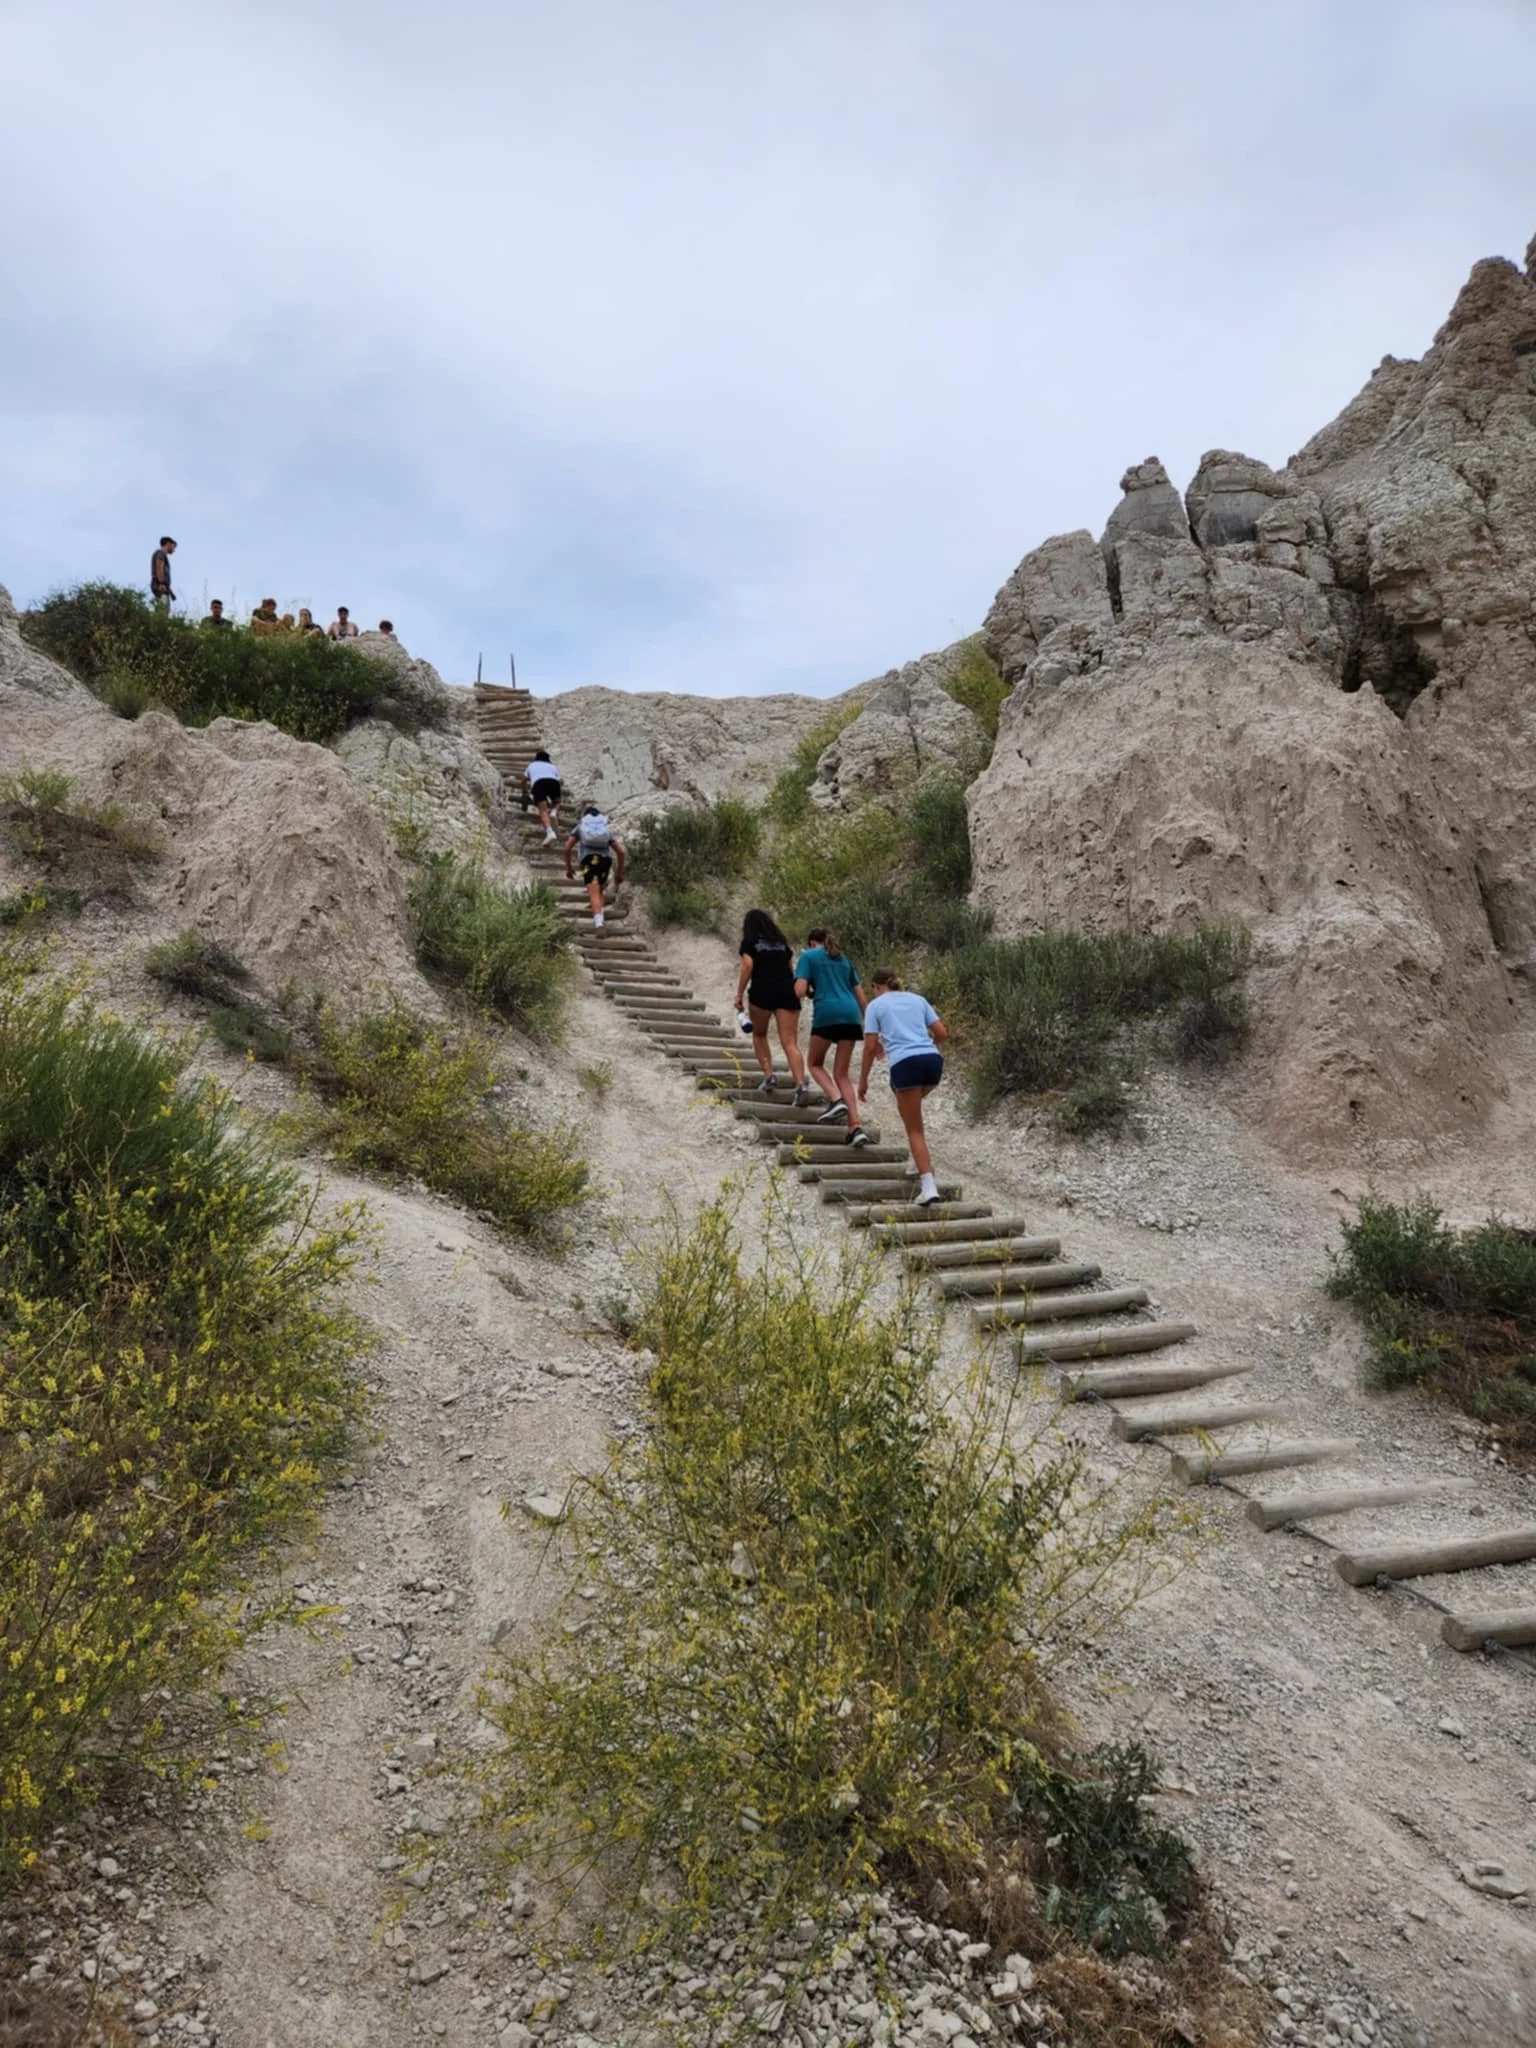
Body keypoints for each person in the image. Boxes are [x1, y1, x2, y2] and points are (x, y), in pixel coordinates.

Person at [858, 969, 948, 1206]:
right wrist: (923, 1044)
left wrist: (863, 1080)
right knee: (911, 1112)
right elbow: (941, 1032)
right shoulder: (918, 999)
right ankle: (919, 1161)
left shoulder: (875, 1006)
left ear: (877, 987)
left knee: (914, 1129)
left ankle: (928, 1186)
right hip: (932, 1061)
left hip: (905, 1064)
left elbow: (869, 1048)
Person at [793, 927, 869, 1146]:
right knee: (842, 1074)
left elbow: (799, 990)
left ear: (811, 943)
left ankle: (836, 1100)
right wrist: (873, 1027)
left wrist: (803, 986)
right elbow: (862, 998)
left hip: (827, 1013)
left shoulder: (808, 957)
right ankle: (855, 1127)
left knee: (815, 1063)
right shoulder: (844, 959)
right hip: (851, 1014)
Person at [733, 910, 809, 1099]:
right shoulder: (781, 943)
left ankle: (769, 1076)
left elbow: (748, 966)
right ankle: (800, 1085)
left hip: (762, 991)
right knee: (790, 1042)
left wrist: (739, 994)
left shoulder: (749, 942)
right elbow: (791, 968)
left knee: (759, 1035)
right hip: (786, 991)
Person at [565, 806, 625, 929]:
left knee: (593, 892)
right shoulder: (605, 830)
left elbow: (567, 848)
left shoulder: (581, 827)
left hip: (589, 861)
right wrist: (619, 873)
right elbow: (621, 852)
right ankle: (600, 917)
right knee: (600, 891)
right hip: (605, 861)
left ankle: (599, 924)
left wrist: (569, 868)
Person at [524, 749, 562, 843]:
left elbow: (524, 779)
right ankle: (554, 811)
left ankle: (550, 833)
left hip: (538, 783)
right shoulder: (552, 766)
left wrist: (524, 787)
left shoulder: (532, 765)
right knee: (557, 801)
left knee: (543, 810)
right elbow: (559, 780)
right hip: (554, 782)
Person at [150, 536, 176, 611]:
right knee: (163, 609)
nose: (174, 550)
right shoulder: (160, 553)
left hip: (163, 586)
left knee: (164, 608)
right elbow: (159, 567)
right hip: (160, 585)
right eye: (173, 546)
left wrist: (171, 593)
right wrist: (161, 583)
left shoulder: (162, 554)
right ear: (168, 544)